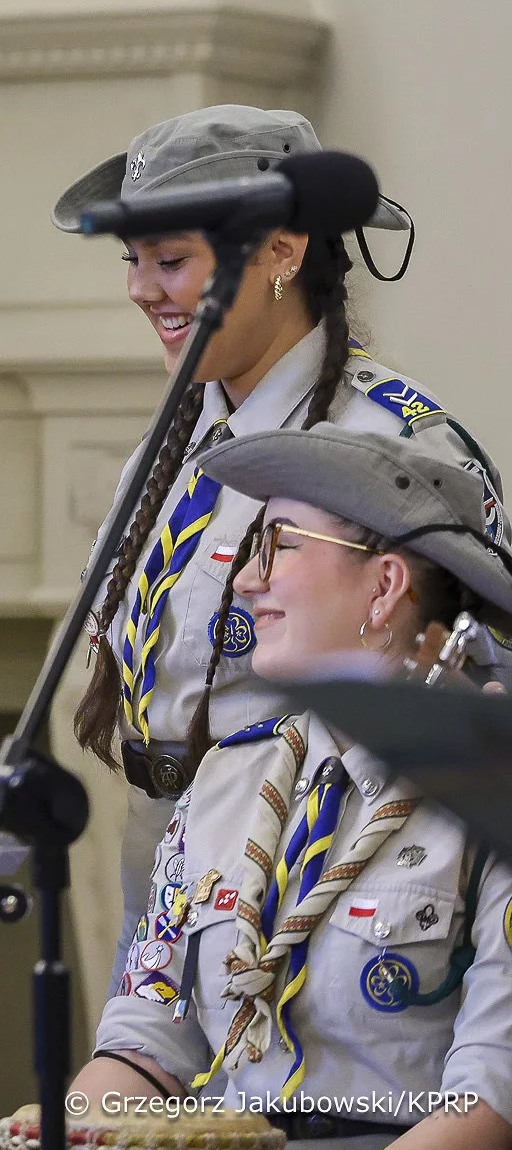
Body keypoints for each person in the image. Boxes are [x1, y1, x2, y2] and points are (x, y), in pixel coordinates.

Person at [52, 105, 503, 983]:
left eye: (172, 260)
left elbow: (476, 673)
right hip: (165, 838)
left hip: (306, 858)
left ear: (283, 251)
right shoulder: (173, 442)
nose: (145, 289)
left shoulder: (391, 442)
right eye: (133, 262)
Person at [71, 423, 512, 1150]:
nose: (246, 577)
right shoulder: (227, 777)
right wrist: (84, 1128)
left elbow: (490, 1102)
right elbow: (147, 1033)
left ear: (385, 584)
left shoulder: (490, 787)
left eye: (280, 543)